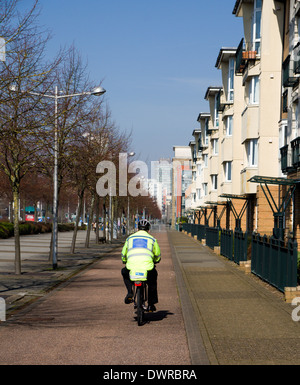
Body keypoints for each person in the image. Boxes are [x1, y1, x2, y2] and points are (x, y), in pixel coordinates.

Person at [121, 219, 161, 312]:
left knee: (124, 272)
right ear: (148, 230)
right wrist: (156, 260)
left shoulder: (129, 238)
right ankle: (151, 303)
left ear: (137, 229)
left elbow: (123, 254)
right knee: (152, 279)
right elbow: (157, 255)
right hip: (147, 267)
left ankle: (130, 293)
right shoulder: (152, 239)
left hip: (131, 266)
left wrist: (124, 260)